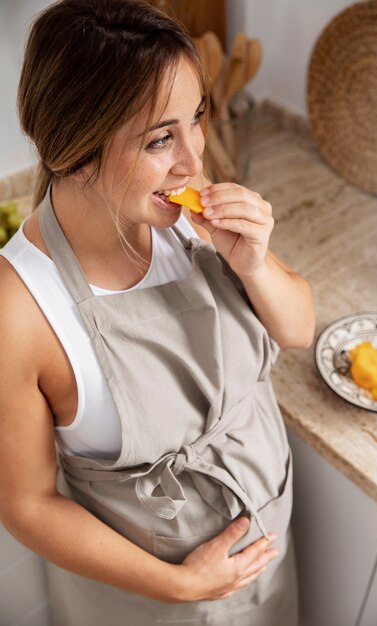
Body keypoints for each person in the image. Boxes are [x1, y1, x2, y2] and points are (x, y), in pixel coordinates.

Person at [0, 1, 315, 624]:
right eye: (160, 139)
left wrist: (254, 263)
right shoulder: (18, 312)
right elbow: (27, 506)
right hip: (149, 600)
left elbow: (300, 328)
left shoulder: (182, 215)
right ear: (77, 154)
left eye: (195, 117)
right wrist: (179, 585)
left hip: (268, 548)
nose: (194, 159)